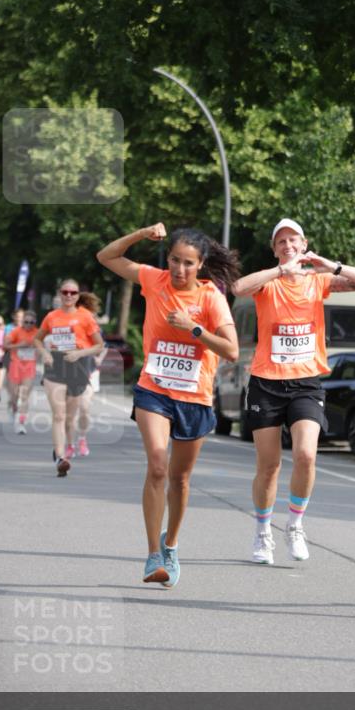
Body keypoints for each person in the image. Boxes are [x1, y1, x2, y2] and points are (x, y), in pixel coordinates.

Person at [97, 224, 240, 587]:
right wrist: (141, 234)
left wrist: (194, 328)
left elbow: (232, 350)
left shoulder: (211, 298)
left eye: (188, 263)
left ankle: (171, 544)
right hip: (154, 389)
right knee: (158, 466)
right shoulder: (154, 280)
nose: (179, 269)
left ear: (201, 264)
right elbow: (106, 256)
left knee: (180, 478)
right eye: (175, 260)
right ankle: (152, 556)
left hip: (194, 397)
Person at [232, 218, 355, 566]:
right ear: (275, 249)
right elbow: (237, 287)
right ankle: (262, 532)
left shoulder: (318, 281)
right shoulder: (267, 283)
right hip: (266, 383)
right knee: (269, 466)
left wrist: (332, 265)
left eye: (293, 240)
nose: (288, 245)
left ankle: (295, 525)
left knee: (306, 455)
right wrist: (279, 271)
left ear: (304, 244)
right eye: (281, 242)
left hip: (306, 383)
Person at [34, 280, 105, 477]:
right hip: (55, 366)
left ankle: (67, 445)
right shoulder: (52, 316)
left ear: (77, 295)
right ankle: (60, 457)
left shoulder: (85, 316)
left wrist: (79, 354)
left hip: (77, 367)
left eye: (73, 293)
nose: (68, 295)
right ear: (60, 293)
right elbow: (37, 339)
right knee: (58, 415)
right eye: (65, 292)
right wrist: (45, 354)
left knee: (69, 418)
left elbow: (99, 345)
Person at [64, 291, 104, 458]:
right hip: (70, 373)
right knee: (70, 413)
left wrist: (97, 357)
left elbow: (101, 347)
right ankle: (70, 444)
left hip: (89, 373)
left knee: (84, 408)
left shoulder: (93, 326)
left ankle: (82, 438)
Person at [5, 310, 39, 433]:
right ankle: (12, 407)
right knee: (14, 397)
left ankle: (21, 423)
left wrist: (38, 349)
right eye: (26, 322)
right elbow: (5, 345)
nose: (28, 324)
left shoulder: (38, 333)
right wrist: (19, 345)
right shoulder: (16, 331)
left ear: (35, 322)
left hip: (29, 367)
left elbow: (43, 347)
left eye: (31, 322)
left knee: (24, 396)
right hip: (15, 366)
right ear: (22, 321)